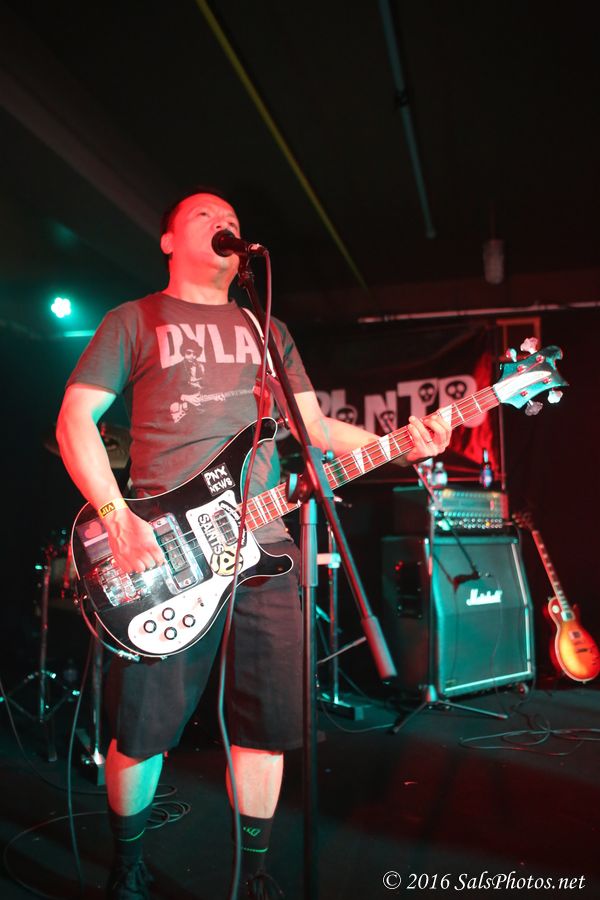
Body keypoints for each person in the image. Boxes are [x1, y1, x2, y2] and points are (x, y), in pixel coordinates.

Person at [55, 187, 451, 899]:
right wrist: (117, 517)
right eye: (204, 215)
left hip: (264, 547)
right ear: (168, 240)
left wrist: (403, 443)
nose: (224, 224)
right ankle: (128, 865)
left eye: (232, 218)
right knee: (142, 730)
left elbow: (314, 429)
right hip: (163, 554)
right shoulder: (134, 319)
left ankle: (258, 873)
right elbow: (75, 420)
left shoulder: (266, 329)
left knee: (265, 725)